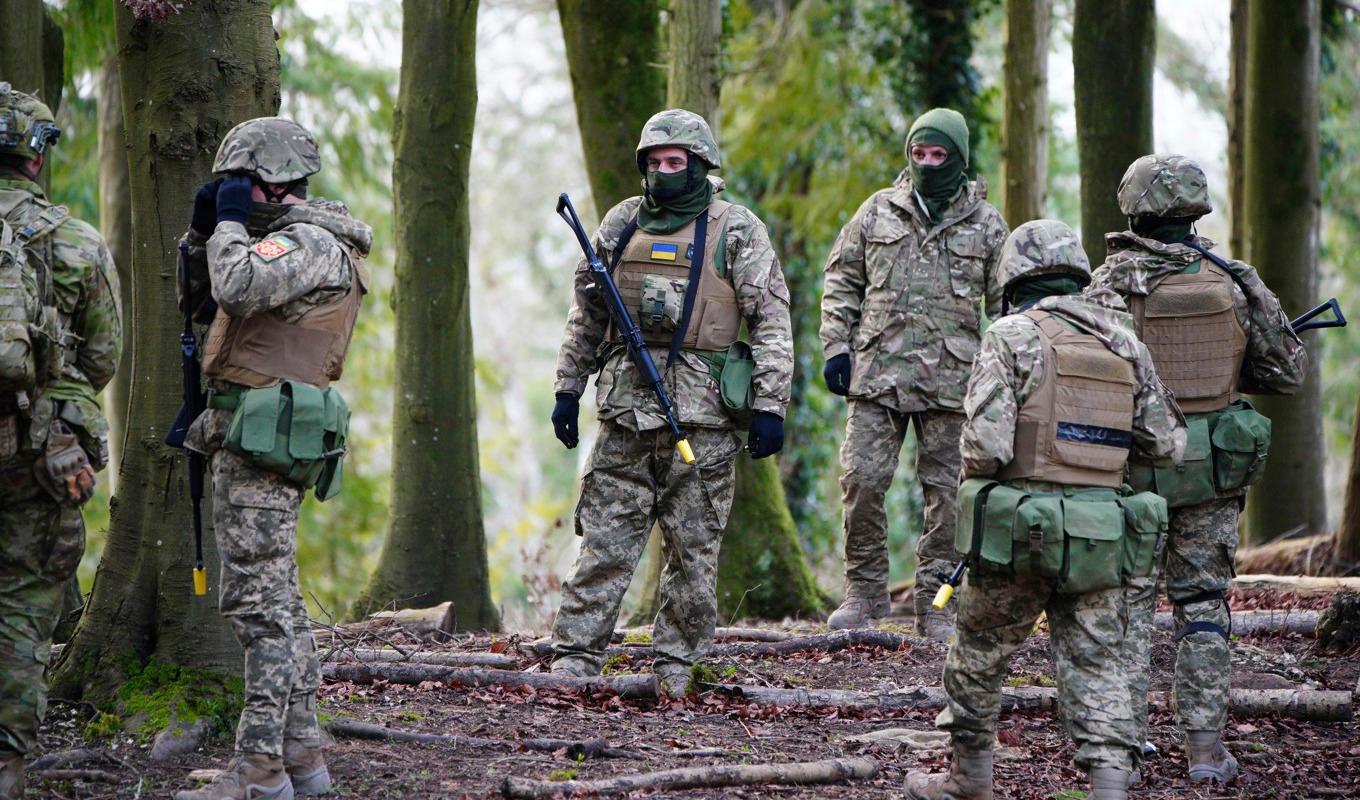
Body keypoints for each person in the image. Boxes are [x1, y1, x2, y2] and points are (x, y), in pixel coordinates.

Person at [903, 219, 1185, 800]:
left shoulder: (1009, 335)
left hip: (1020, 530)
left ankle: (968, 779)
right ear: (1078, 275)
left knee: (979, 651)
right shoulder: (1124, 341)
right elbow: (1166, 443)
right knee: (1100, 664)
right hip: (1102, 534)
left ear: (1013, 278)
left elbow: (984, 446)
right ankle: (1108, 788)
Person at [549, 108, 793, 696]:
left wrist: (771, 405)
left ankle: (677, 666)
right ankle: (575, 657)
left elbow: (772, 320)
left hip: (704, 417)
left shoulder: (736, 229)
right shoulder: (620, 224)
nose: (663, 172)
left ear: (700, 165)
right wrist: (567, 387)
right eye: (654, 163)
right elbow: (588, 314)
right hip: (626, 412)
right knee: (604, 543)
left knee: (693, 551)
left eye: (674, 163)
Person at [1090, 154, 1308, 785]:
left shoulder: (1106, 287)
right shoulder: (1234, 282)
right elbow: (1286, 374)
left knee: (1124, 610)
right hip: (1210, 473)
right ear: (1196, 208)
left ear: (1133, 208)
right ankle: (1207, 753)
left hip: (1132, 472)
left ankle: (1119, 758)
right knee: (1204, 608)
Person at [175, 117, 372, 800]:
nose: (232, 197)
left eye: (240, 185)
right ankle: (303, 760)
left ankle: (257, 774)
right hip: (251, 435)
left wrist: (227, 226)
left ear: (275, 183)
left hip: (265, 443)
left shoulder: (310, 244)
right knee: (279, 605)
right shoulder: (284, 242)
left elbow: (236, 288)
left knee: (260, 613)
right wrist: (206, 233)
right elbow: (200, 300)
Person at [819, 107, 1009, 638]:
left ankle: (936, 602)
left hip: (954, 382)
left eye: (938, 155)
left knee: (949, 496)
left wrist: (1007, 375)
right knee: (860, 481)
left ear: (959, 159)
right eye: (918, 154)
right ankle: (863, 594)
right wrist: (837, 346)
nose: (927, 164)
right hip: (877, 374)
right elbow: (841, 280)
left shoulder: (988, 226)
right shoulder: (878, 212)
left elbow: (1008, 307)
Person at [0, 82, 122, 800]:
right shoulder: (74, 241)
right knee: (20, 604)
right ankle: (7, 763)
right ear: (37, 157)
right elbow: (103, 357)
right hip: (40, 454)